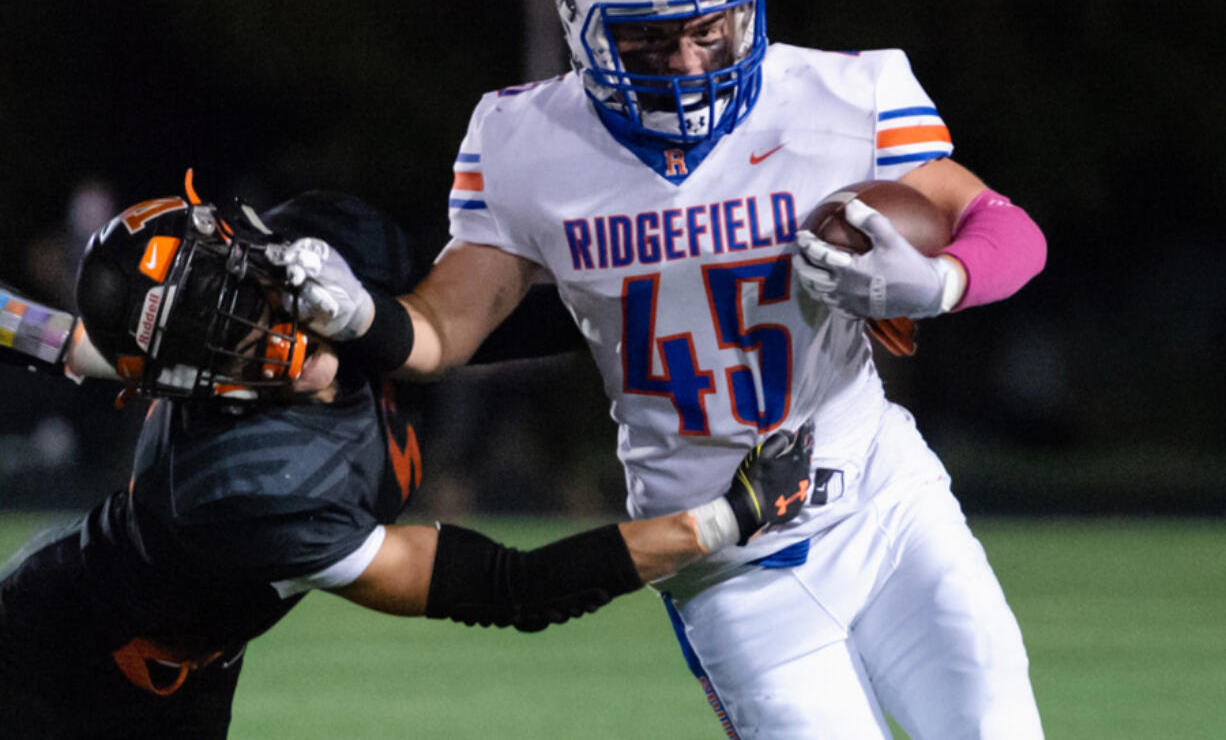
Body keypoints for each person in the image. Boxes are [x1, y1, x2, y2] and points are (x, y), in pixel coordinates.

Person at [282, 0, 1049, 739]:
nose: (689, 66)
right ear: (585, 33)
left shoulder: (839, 97)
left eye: (708, 30)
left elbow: (1007, 227)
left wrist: (940, 281)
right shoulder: (526, 143)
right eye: (650, 44)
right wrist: (355, 317)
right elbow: (442, 332)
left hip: (885, 503)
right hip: (724, 552)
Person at [0, 181, 813, 740]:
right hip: (55, 669)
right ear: (199, 384)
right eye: (235, 333)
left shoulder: (315, 252)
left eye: (247, 284)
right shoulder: (250, 487)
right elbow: (509, 588)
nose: (273, 323)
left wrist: (706, 289)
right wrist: (721, 519)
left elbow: (484, 320)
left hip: (190, 670)